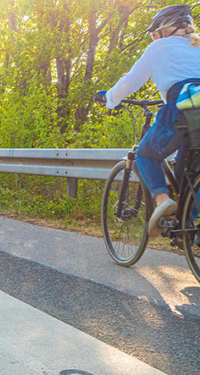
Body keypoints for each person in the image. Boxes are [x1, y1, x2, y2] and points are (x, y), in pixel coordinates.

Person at [95, 4, 200, 237]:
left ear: (166, 30)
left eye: (154, 34)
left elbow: (130, 81)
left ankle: (163, 201)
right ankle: (192, 226)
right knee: (189, 172)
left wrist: (109, 98)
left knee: (145, 155)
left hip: (181, 108)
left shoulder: (159, 47)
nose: (153, 39)